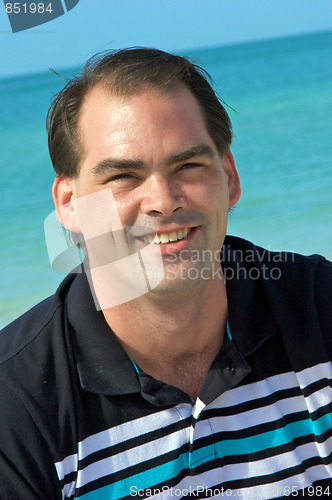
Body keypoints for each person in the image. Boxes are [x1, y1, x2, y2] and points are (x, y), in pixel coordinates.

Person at [0, 48, 331, 500]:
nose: (163, 199)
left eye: (188, 165)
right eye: (123, 176)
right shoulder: (16, 404)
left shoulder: (320, 309)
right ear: (69, 204)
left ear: (229, 177)